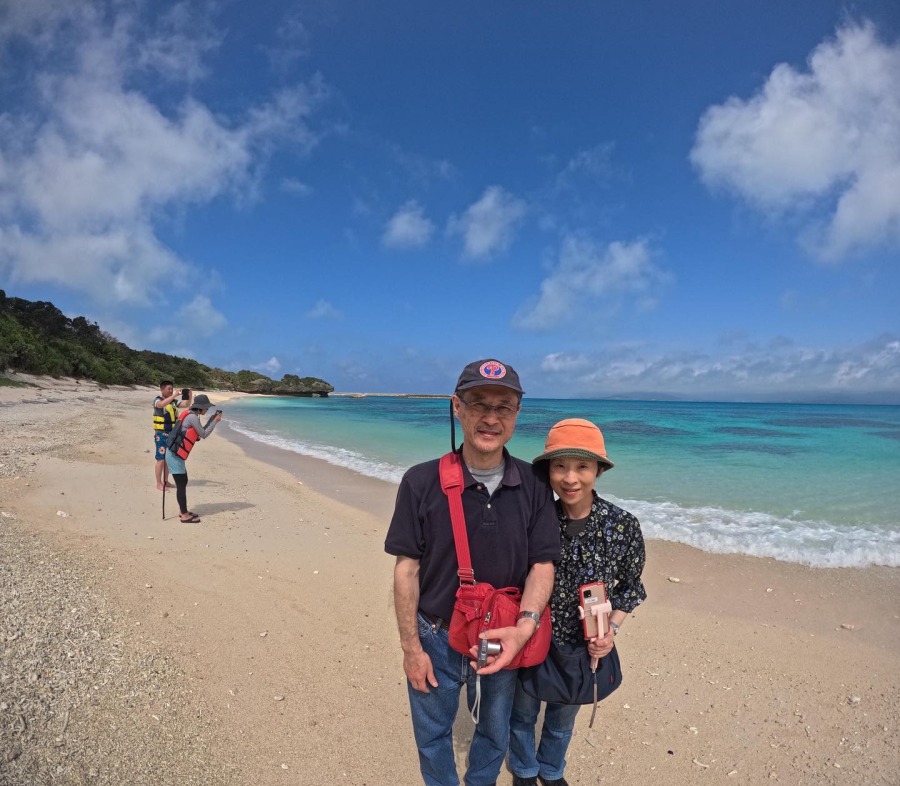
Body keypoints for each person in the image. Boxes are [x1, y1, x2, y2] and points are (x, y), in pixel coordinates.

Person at [385, 359, 561, 786]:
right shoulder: (421, 481)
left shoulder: (535, 484)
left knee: (494, 732)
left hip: (503, 633)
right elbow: (406, 570)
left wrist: (524, 627)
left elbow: (543, 563)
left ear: (518, 414)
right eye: (478, 403)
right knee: (432, 736)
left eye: (504, 407)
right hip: (436, 633)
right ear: (456, 408)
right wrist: (411, 648)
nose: (490, 417)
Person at [508, 419, 646, 786]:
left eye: (582, 466)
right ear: (548, 471)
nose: (571, 478)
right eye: (560, 466)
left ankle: (551, 771)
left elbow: (631, 589)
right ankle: (523, 769)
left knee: (561, 719)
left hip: (582, 646)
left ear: (598, 470)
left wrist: (611, 630)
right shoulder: (534, 520)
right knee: (522, 713)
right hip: (534, 636)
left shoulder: (623, 525)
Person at [164, 393, 222, 524]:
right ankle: (184, 515)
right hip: (174, 455)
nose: (207, 410)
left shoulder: (190, 414)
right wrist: (215, 422)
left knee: (182, 482)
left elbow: (199, 434)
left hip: (174, 453)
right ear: (200, 407)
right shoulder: (193, 418)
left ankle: (183, 510)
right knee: (181, 484)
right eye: (206, 408)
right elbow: (204, 434)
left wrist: (211, 420)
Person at [153, 380, 192, 490]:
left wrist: (189, 395)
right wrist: (175, 394)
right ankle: (158, 483)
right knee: (160, 459)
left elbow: (186, 404)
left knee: (168, 459)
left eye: (172, 389)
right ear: (162, 389)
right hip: (161, 434)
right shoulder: (157, 400)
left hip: (172, 434)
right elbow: (161, 405)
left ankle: (165, 481)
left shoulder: (173, 402)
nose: (170, 391)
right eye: (168, 389)